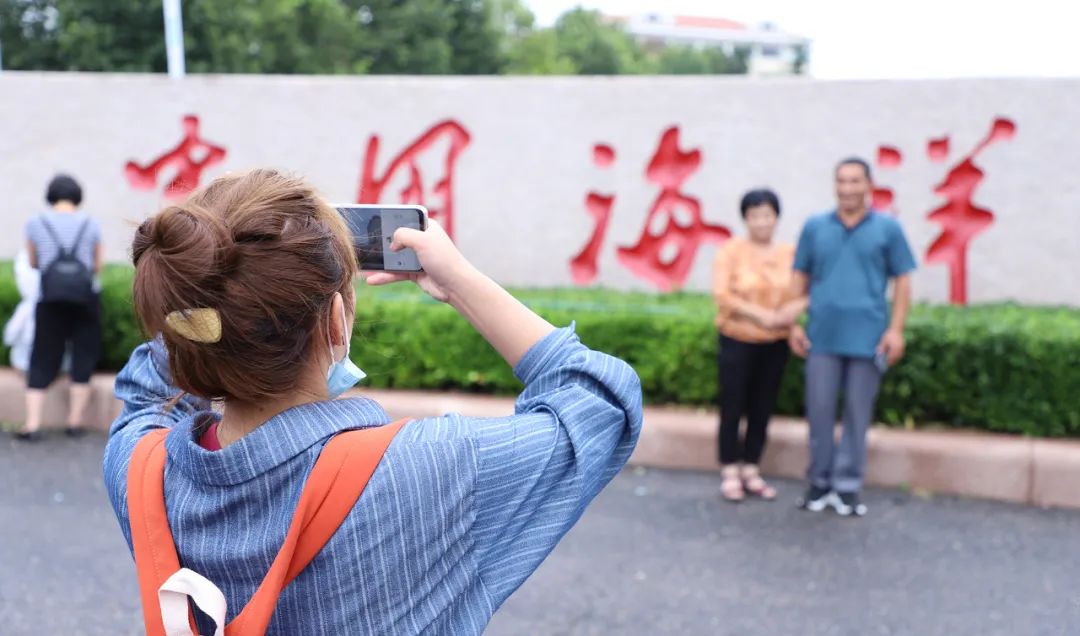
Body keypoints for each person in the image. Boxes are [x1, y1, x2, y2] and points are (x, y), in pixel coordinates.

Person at [102, 169, 642, 634]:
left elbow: (147, 385)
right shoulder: (428, 467)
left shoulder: (139, 470)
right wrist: (458, 282)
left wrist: (214, 285)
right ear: (335, 321)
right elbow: (600, 403)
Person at [782, 158, 916, 517]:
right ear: (835, 185)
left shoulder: (888, 229)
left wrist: (896, 330)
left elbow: (903, 279)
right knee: (819, 412)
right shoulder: (815, 227)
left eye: (855, 181)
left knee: (858, 415)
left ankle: (847, 488)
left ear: (869, 185)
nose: (848, 188)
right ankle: (819, 484)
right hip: (821, 337)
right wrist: (793, 324)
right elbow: (799, 276)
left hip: (868, 338)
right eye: (841, 181)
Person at [712, 189, 801, 503]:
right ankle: (729, 470)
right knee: (733, 405)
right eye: (755, 215)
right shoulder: (731, 252)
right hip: (737, 339)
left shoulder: (790, 253)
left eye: (767, 215)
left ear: (776, 217)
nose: (762, 222)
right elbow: (724, 296)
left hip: (774, 343)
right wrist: (764, 316)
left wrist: (790, 317)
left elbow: (802, 290)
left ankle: (751, 467)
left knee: (762, 406)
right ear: (745, 218)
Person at [18, 174, 103, 441]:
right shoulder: (91, 224)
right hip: (85, 297)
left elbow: (33, 261)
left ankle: (32, 424)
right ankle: (74, 422)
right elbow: (96, 266)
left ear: (51, 195)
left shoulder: (35, 223)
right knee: (83, 354)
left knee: (42, 355)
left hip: (50, 297)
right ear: (77, 195)